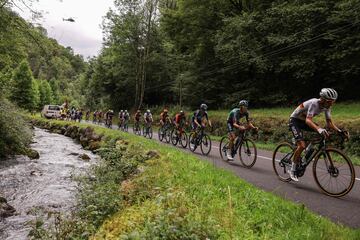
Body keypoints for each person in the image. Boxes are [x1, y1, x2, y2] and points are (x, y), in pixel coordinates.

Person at [288, 88, 345, 181]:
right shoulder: (314, 103)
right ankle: (293, 169)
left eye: (333, 101)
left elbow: (329, 123)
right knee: (301, 145)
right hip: (295, 120)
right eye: (330, 101)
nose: (331, 103)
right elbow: (308, 120)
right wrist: (319, 129)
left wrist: (339, 131)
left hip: (304, 121)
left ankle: (306, 153)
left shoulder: (327, 107)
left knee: (322, 133)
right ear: (323, 99)